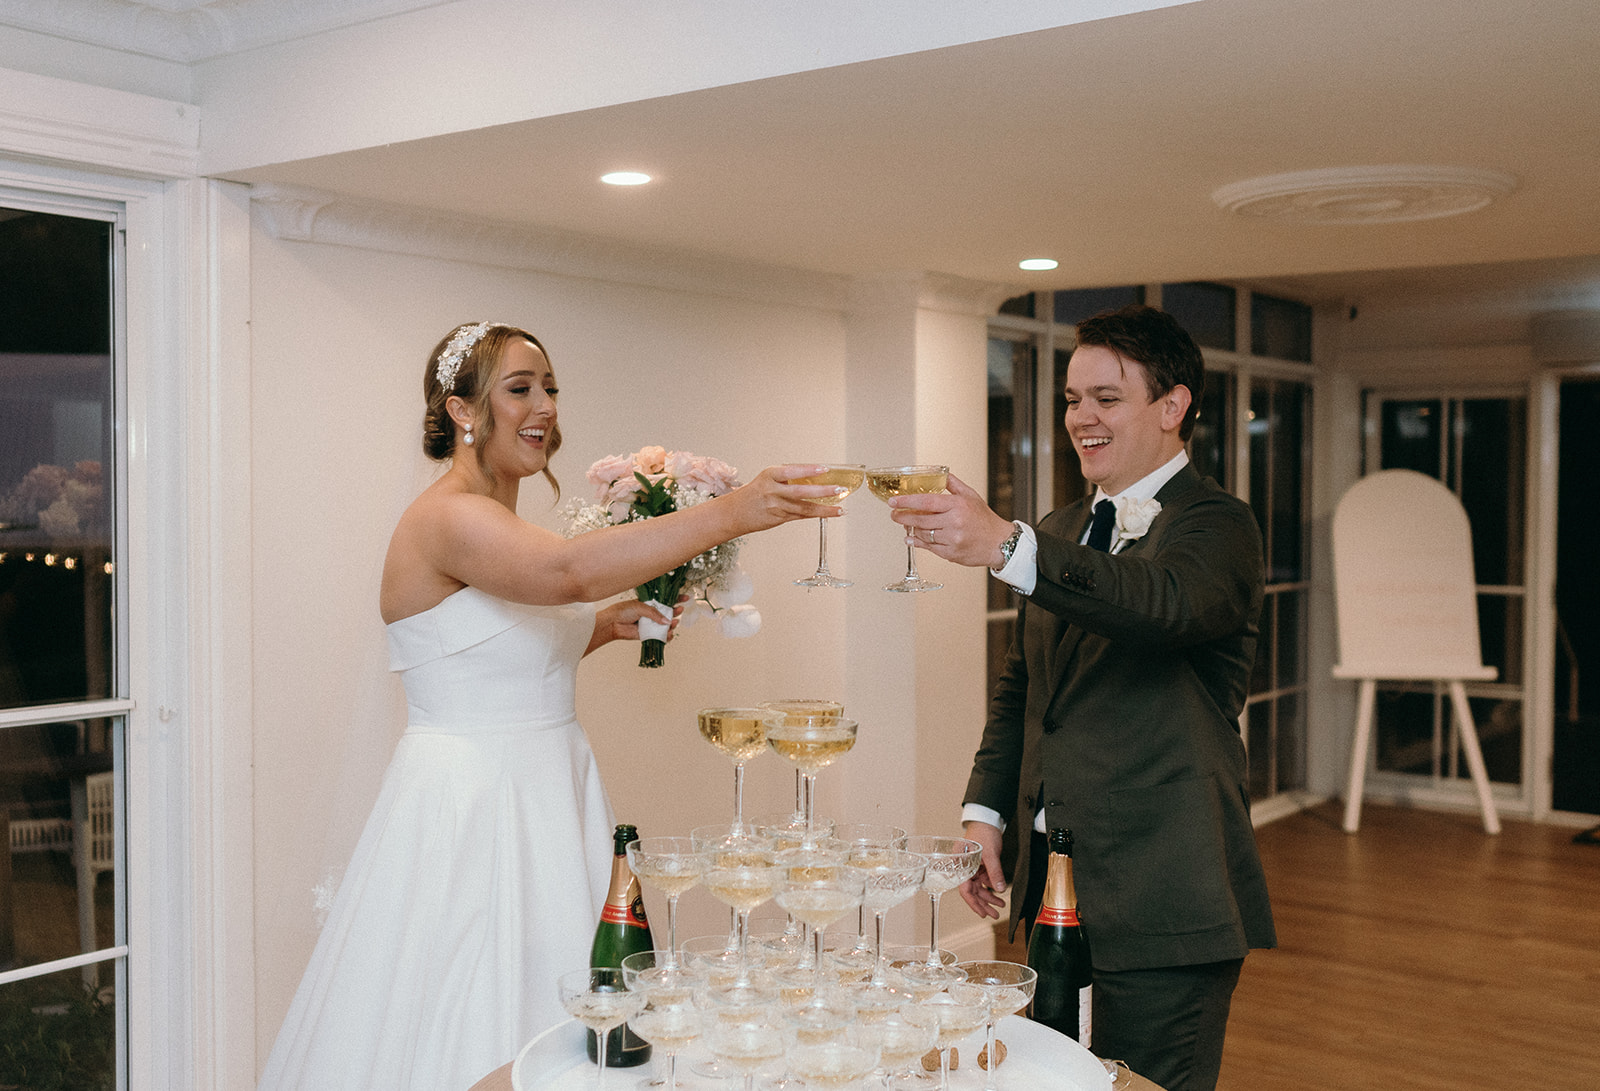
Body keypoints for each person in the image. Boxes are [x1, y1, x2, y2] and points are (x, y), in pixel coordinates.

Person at [259, 321, 839, 1091]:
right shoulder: (445, 517)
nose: (544, 407)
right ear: (463, 410)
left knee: (567, 1015)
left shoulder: (502, 524)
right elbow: (566, 572)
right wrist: (734, 511)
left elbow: (499, 645)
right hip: (474, 806)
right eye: (520, 388)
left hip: (551, 790)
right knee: (470, 1014)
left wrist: (600, 628)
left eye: (551, 388)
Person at [887, 304, 1275, 1091]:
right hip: (1052, 897)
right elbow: (1023, 690)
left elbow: (1159, 601)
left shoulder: (1219, 526)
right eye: (1071, 399)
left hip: (1164, 903)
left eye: (1106, 397)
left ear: (1173, 408)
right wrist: (986, 815)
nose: (1081, 418)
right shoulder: (1063, 527)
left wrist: (1006, 543)